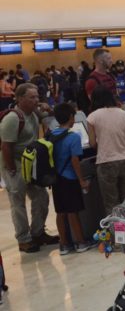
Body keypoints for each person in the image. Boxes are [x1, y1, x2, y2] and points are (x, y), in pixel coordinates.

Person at [0, 84, 58, 253]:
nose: (36, 100)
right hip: (14, 163)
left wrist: (48, 107)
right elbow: (6, 147)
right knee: (18, 203)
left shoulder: (33, 113)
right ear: (19, 99)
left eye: (37, 97)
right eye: (32, 97)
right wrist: (11, 170)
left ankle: (38, 232)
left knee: (41, 197)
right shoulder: (12, 118)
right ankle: (24, 239)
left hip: (30, 162)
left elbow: (52, 116)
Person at [49, 103, 97, 255]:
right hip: (69, 178)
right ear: (71, 117)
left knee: (60, 212)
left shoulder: (50, 134)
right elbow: (75, 161)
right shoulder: (73, 136)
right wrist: (82, 180)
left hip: (56, 179)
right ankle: (81, 242)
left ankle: (63, 244)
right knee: (73, 211)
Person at [87, 86, 125, 214]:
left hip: (106, 162)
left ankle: (118, 233)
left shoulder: (92, 117)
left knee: (112, 204)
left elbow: (92, 144)